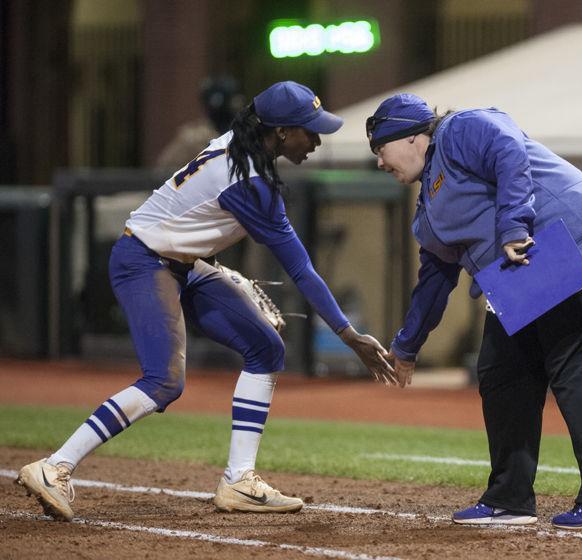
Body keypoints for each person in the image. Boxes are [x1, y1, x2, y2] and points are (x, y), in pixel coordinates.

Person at [16, 81, 396, 521]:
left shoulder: (241, 141)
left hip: (182, 261)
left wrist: (213, 265)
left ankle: (239, 481)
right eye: (307, 130)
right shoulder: (252, 183)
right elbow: (302, 272)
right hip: (143, 260)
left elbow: (195, 208)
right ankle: (55, 466)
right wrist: (350, 335)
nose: (315, 139)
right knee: (164, 382)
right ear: (278, 131)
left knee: (266, 349)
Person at [366, 93, 582, 530]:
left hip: (579, 239)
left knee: (575, 366)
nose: (380, 161)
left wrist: (513, 223)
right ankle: (510, 497)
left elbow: (507, 149)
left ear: (413, 136)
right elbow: (435, 278)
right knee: (502, 370)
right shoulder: (428, 210)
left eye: (381, 148)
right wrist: (406, 346)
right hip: (532, 264)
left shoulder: (459, 129)